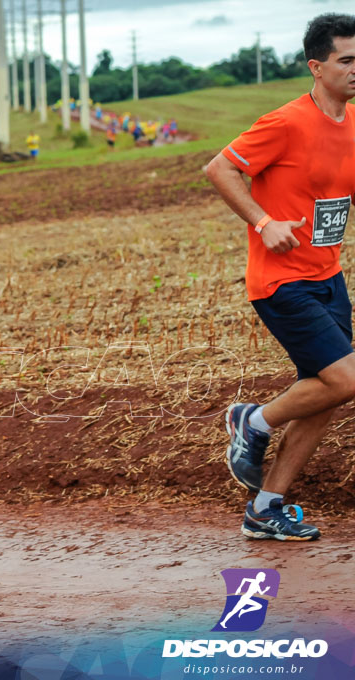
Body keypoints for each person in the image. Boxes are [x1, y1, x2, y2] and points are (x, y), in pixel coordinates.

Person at [205, 13, 355, 541]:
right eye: (347, 60)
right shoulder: (287, 122)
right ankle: (254, 422)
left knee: (329, 390)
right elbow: (220, 168)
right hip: (280, 280)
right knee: (347, 379)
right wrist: (263, 222)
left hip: (328, 278)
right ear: (317, 67)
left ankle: (265, 507)